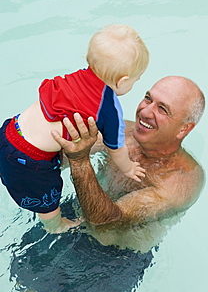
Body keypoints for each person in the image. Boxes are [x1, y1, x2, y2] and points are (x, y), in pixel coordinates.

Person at [0, 24, 149, 232]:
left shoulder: (74, 78)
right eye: (136, 80)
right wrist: (128, 168)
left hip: (10, 131)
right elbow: (116, 147)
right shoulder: (108, 107)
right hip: (31, 159)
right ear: (122, 81)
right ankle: (56, 226)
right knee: (47, 200)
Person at [52, 75, 205, 235]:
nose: (145, 112)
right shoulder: (122, 132)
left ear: (184, 129)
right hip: (73, 211)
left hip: (115, 254)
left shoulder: (180, 179)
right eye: (148, 99)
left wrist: (80, 162)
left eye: (162, 109)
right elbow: (58, 154)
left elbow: (106, 223)